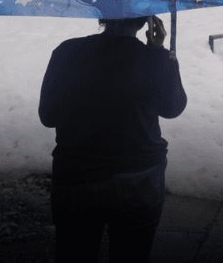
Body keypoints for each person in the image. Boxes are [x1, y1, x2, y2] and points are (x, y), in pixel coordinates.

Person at [39, 16, 187, 262]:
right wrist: (162, 54)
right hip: (140, 178)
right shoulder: (152, 58)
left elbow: (48, 115)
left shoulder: (68, 52)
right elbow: (173, 108)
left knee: (74, 253)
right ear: (146, 21)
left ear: (102, 13)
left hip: (76, 176)